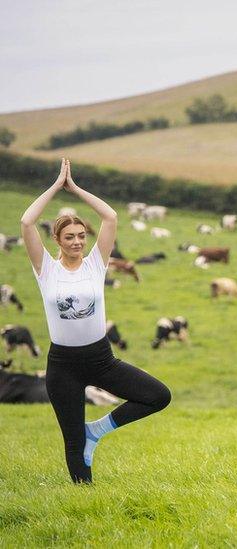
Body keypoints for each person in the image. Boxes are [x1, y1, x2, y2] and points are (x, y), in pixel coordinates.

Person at [20, 158, 171, 483]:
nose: (76, 241)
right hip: (63, 365)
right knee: (74, 446)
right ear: (57, 241)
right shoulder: (46, 270)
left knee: (159, 395)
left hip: (101, 360)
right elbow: (27, 222)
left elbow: (110, 216)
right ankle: (84, 497)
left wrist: (75, 189)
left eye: (80, 236)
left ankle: (98, 430)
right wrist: (56, 186)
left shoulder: (95, 264)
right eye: (69, 237)